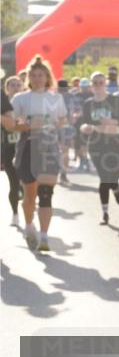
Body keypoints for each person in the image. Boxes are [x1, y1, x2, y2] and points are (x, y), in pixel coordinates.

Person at [11, 56, 68, 252]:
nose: (37, 78)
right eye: (33, 75)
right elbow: (11, 126)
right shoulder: (20, 98)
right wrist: (28, 125)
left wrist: (52, 123)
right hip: (27, 146)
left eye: (40, 75)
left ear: (47, 77)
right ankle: (29, 226)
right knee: (29, 195)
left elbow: (62, 120)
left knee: (46, 194)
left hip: (49, 146)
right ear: (28, 77)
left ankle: (44, 237)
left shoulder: (56, 98)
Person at [77, 71, 119, 225]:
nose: (98, 85)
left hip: (114, 141)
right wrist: (85, 127)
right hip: (96, 144)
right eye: (95, 83)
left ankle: (116, 188)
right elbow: (82, 123)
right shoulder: (88, 104)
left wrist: (112, 122)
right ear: (91, 86)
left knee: (113, 175)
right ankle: (105, 213)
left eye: (101, 82)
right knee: (104, 178)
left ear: (105, 84)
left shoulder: (115, 100)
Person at [2, 75, 24, 227]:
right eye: (12, 85)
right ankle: (15, 213)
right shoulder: (3, 105)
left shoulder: (27, 103)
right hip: (9, 148)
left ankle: (25, 193)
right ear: (6, 89)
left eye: (18, 85)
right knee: (13, 183)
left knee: (26, 182)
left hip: (26, 148)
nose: (16, 88)